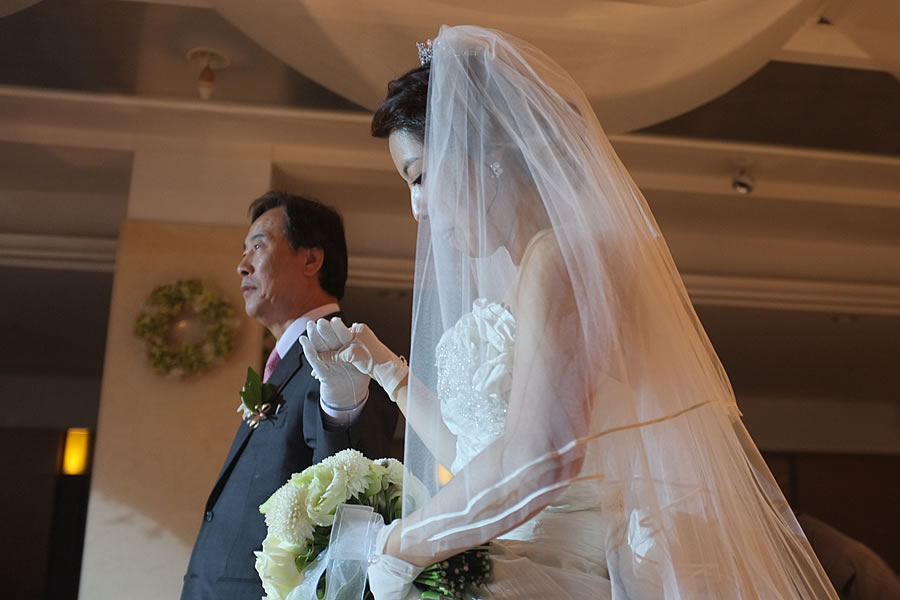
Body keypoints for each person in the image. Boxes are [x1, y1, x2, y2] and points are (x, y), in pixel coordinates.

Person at [303, 26, 839, 599]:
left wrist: (399, 543)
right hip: (517, 561)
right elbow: (477, 455)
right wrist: (390, 372)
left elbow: (539, 459)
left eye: (420, 177)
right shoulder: (535, 269)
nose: (418, 210)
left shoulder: (560, 261)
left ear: (486, 156)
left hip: (556, 574)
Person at [180, 191, 394, 600]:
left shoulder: (346, 355)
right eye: (244, 251)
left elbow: (352, 491)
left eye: (258, 247)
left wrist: (344, 406)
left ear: (311, 260)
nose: (242, 265)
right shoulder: (283, 364)